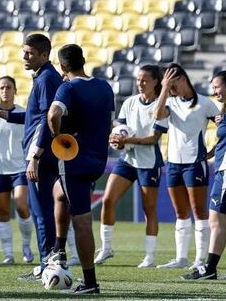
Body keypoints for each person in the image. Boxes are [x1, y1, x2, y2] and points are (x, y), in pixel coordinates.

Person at [0, 33, 63, 279]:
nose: (24, 56)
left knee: (41, 212)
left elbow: (47, 120)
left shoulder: (48, 79)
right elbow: (33, 117)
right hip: (39, 154)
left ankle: (47, 264)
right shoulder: (43, 77)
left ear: (43, 54)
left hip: (39, 156)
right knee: (41, 210)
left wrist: (35, 156)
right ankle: (49, 262)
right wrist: (3, 114)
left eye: (29, 53)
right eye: (24, 51)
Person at [45, 43, 115, 295]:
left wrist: (59, 137)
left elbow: (53, 114)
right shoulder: (104, 86)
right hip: (98, 159)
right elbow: (108, 122)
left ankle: (90, 282)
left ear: (62, 67)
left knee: (82, 221)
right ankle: (59, 248)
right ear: (83, 60)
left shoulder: (68, 87)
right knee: (59, 193)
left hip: (75, 159)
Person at [96, 65, 166, 268]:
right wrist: (117, 136)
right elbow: (118, 125)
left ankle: (150, 257)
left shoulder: (161, 107)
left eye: (145, 80)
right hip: (128, 159)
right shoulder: (130, 102)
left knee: (149, 209)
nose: (140, 83)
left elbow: (153, 139)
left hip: (149, 163)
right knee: (108, 200)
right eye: (138, 79)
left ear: (155, 82)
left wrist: (128, 139)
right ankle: (106, 248)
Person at [155, 63, 219, 270]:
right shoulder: (170, 102)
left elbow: (223, 127)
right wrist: (164, 89)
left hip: (195, 163)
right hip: (173, 163)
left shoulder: (205, 103)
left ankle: (200, 260)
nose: (170, 90)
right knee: (180, 213)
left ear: (182, 79)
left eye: (172, 85)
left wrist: (212, 151)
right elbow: (157, 115)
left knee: (199, 212)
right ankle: (181, 258)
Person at [0, 76, 34, 265]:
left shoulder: (24, 113)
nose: (5, 91)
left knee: (21, 204)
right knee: (3, 212)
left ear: (15, 90)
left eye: (9, 87)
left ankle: (26, 246)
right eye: (2, 88)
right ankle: (8, 254)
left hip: (20, 168)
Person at [184, 70, 226, 280]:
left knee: (216, 219)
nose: (214, 91)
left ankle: (209, 269)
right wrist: (211, 152)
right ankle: (210, 268)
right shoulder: (223, 112)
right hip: (220, 168)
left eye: (217, 86)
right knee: (217, 220)